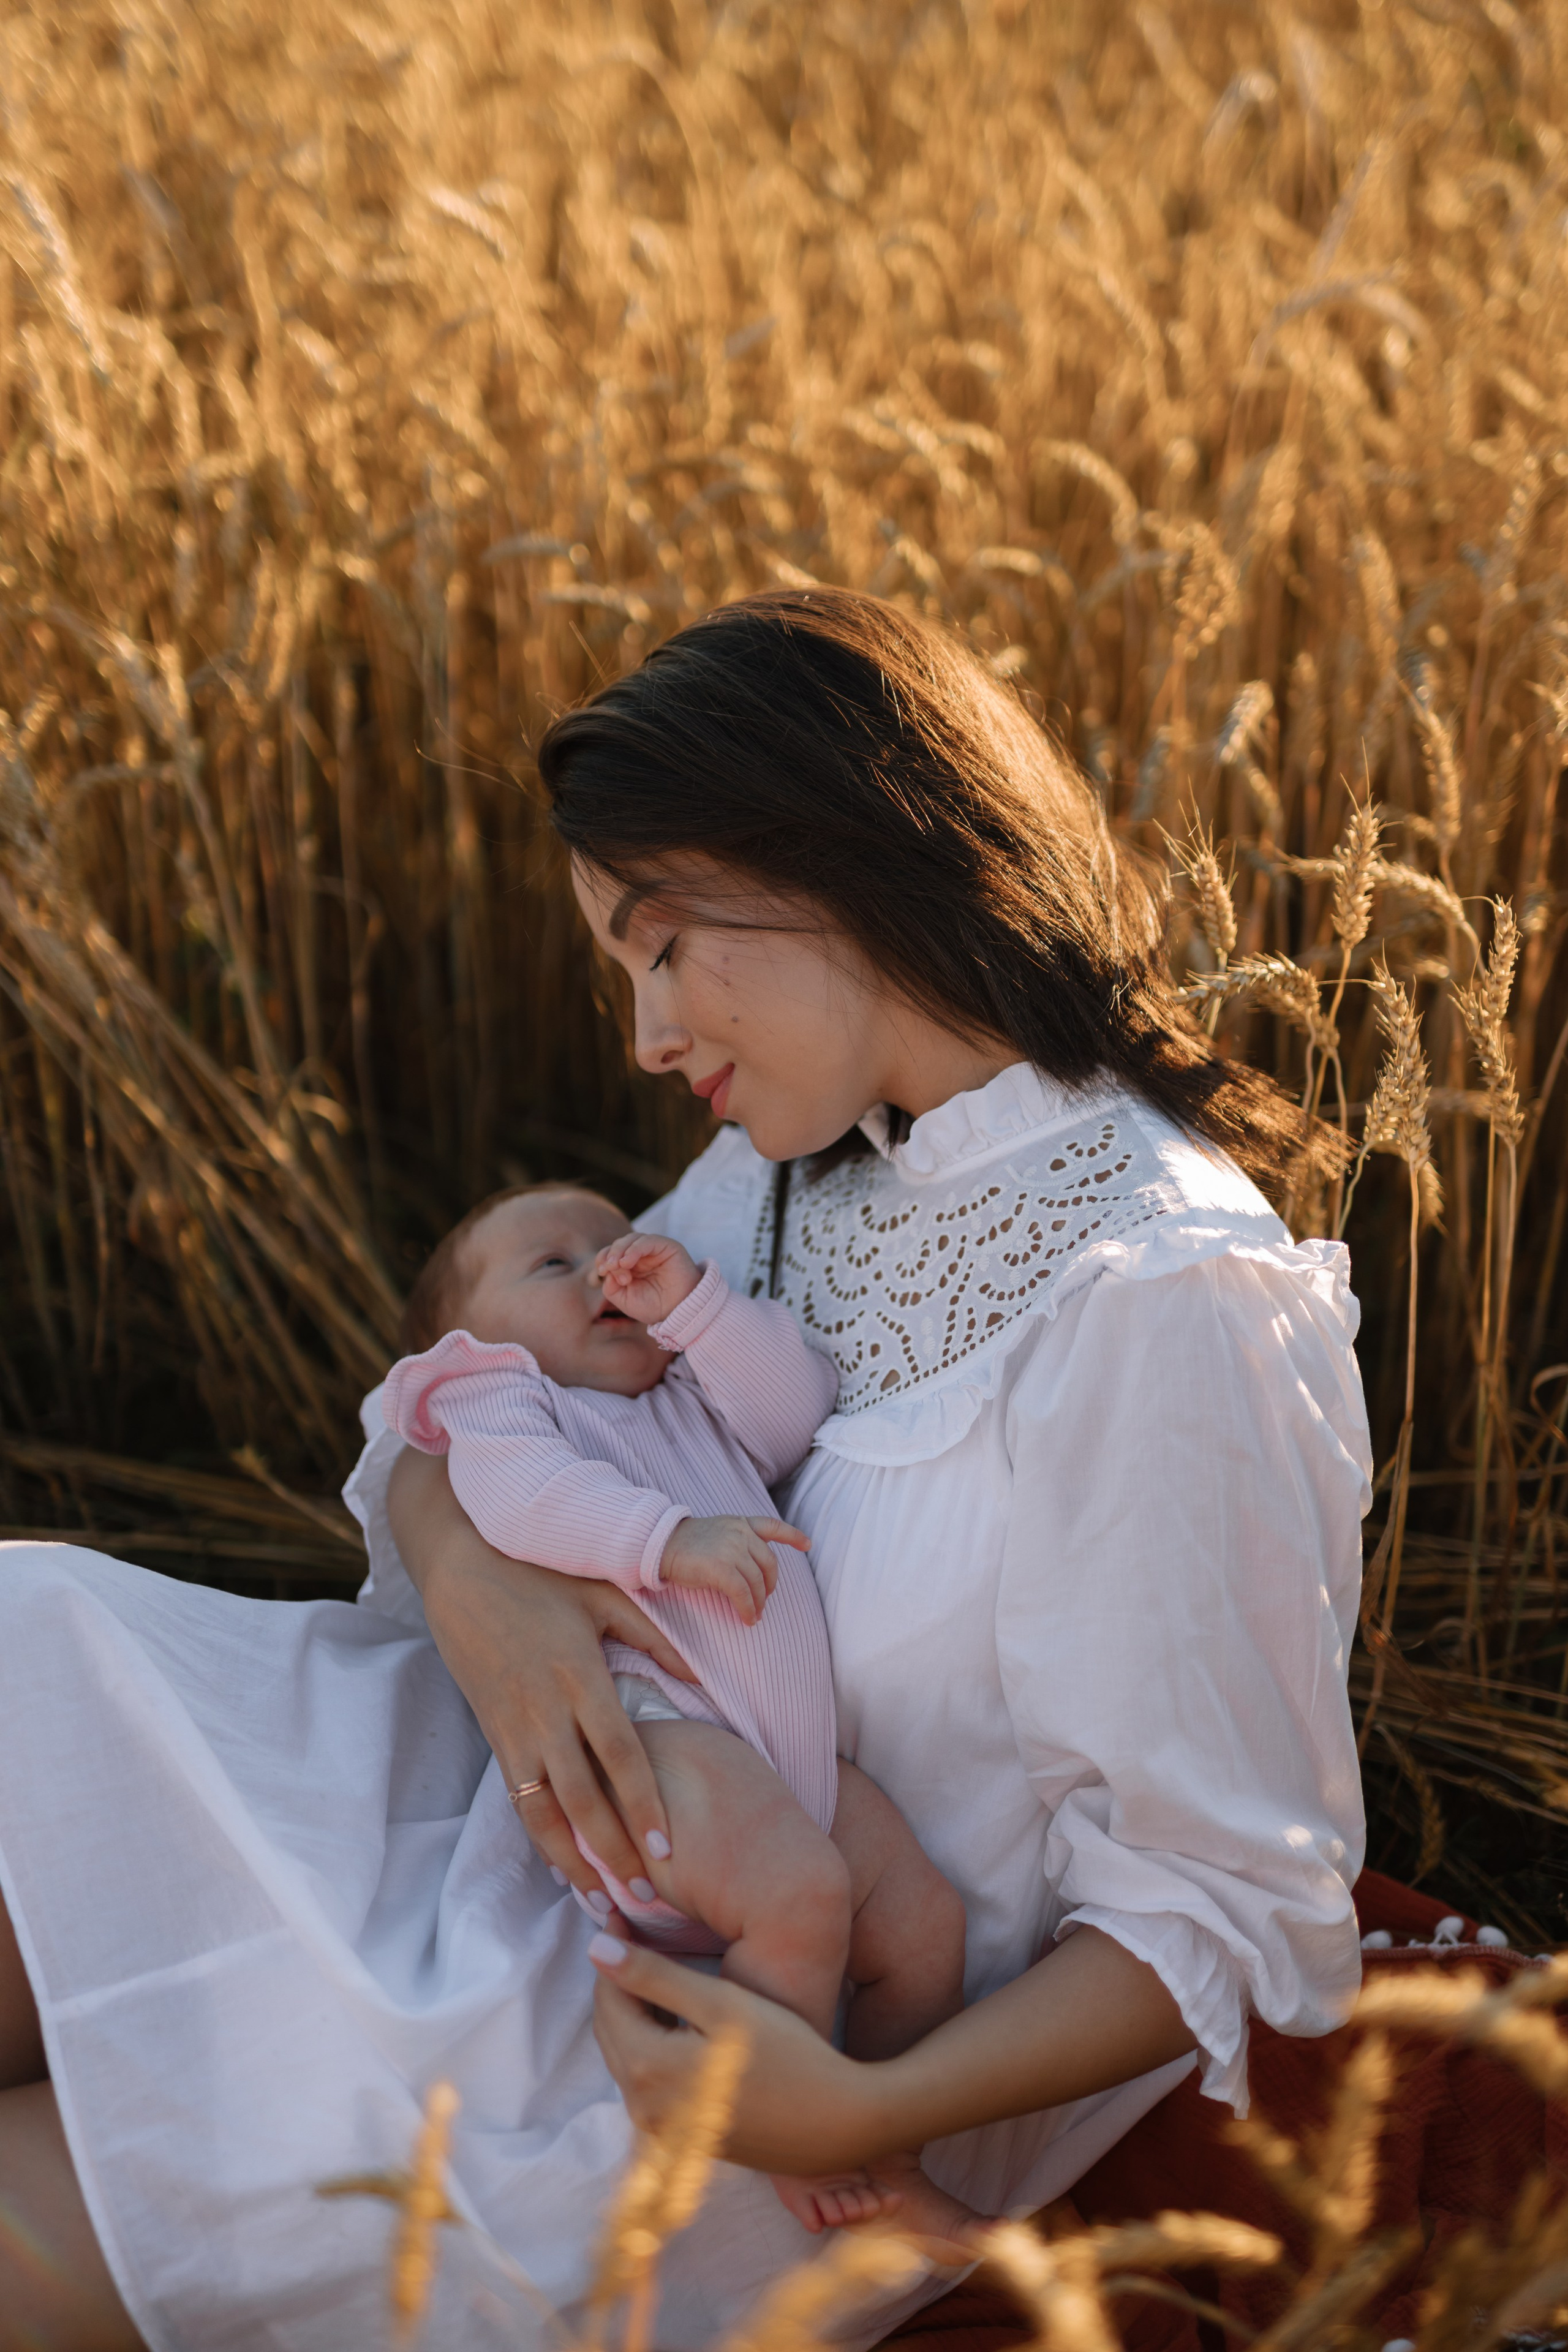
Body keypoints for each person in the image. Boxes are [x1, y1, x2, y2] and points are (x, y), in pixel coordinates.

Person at [0, 587, 1371, 2352]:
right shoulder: (802, 1160)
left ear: (847, 860)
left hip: (699, 2017)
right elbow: (471, 1397)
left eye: (664, 947)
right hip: (485, 1786)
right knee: (37, 1653)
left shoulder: (1167, 1302)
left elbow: (1228, 1906)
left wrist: (869, 2110)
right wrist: (485, 1595)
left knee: (97, 2169)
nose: (646, 1038)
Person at [382, 1183, 970, 2237]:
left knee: (925, 1925)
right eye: (553, 1265)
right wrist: (668, 1541)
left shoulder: (685, 1390)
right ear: (465, 1341)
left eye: (616, 1245)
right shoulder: (503, 1398)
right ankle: (783, 2138)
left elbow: (796, 1412)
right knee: (800, 1892)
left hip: (785, 1764)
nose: (603, 1267)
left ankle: (882, 2137)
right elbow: (524, 1498)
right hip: (659, 1742)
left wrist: (694, 1310)